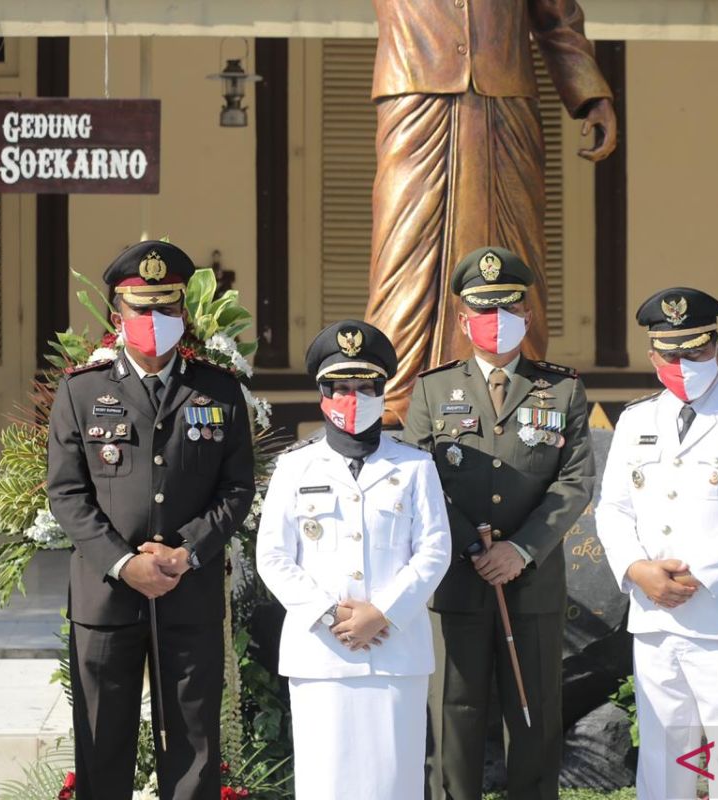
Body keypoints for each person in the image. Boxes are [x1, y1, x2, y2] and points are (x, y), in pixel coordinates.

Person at [47, 241, 255, 799]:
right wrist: (122, 562)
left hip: (188, 590)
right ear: (119, 316)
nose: (155, 321)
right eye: (143, 309)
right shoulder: (82, 390)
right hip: (106, 598)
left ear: (184, 314)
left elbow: (236, 488)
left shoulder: (218, 389)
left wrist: (186, 552)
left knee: (193, 747)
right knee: (102, 744)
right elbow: (66, 493)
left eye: (167, 308)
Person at [367, 0, 618, 422]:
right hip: (414, 86)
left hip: (506, 99)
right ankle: (397, 393)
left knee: (515, 246)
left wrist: (589, 91)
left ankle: (515, 385)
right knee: (403, 252)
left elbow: (556, 15)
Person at [404, 246, 595, 800]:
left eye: (507, 309)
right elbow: (420, 481)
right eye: (483, 312)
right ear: (464, 320)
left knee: (533, 715)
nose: (496, 323)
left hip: (532, 582)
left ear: (527, 316)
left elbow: (574, 482)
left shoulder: (561, 389)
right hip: (457, 580)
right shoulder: (432, 389)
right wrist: (472, 545)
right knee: (454, 716)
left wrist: (522, 550)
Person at [595, 288, 718, 799]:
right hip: (655, 618)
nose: (683, 364)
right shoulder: (638, 419)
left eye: (696, 351)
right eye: (670, 354)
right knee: (662, 763)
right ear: (652, 356)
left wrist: (692, 574)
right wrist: (637, 569)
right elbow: (613, 508)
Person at [256, 320, 451, 800]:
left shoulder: (415, 466)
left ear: (383, 392)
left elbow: (434, 549)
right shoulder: (295, 467)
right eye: (340, 387)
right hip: (321, 651)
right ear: (322, 394)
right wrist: (329, 613)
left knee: (395, 780)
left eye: (365, 387)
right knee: (327, 782)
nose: (352, 398)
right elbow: (273, 555)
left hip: (395, 650)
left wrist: (382, 612)